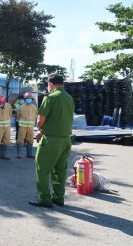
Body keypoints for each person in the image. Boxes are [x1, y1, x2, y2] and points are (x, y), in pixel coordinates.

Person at [29, 74, 74, 208]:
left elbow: (40, 120)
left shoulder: (50, 97)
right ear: (62, 83)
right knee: (60, 170)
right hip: (66, 140)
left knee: (42, 169)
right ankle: (59, 198)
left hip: (51, 140)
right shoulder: (69, 98)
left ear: (50, 84)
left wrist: (40, 129)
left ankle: (44, 199)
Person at [16, 92, 38, 159]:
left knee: (30, 139)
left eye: (30, 98)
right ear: (25, 99)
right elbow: (18, 116)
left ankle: (29, 154)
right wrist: (21, 123)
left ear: (32, 99)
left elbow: (35, 116)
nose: (29, 99)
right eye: (27, 98)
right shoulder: (21, 107)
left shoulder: (34, 107)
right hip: (22, 126)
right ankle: (19, 154)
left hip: (30, 127)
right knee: (20, 139)